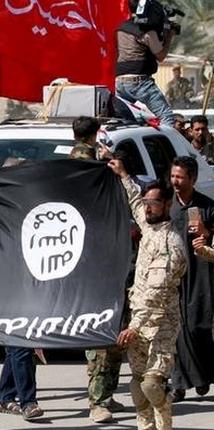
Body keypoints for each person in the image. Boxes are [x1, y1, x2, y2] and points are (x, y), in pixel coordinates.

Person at [109, 157, 187, 430]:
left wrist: (134, 326)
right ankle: (145, 427)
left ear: (167, 205)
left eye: (152, 203)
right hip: (138, 323)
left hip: (160, 325)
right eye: (146, 203)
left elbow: (157, 292)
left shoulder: (170, 243)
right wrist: (123, 174)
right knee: (137, 385)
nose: (147, 207)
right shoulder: (149, 226)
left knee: (152, 385)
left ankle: (164, 425)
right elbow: (134, 203)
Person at [66, 116, 126, 423]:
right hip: (97, 259)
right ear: (94, 135)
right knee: (102, 335)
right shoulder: (96, 168)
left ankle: (106, 395)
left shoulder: (67, 166)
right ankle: (98, 401)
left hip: (92, 256)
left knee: (111, 334)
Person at [166, 156, 214, 402]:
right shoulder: (167, 206)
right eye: (173, 176)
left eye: (180, 177)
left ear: (192, 179)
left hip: (200, 275)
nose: (175, 181)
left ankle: (203, 376)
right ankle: (178, 384)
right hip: (172, 276)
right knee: (175, 329)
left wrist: (206, 233)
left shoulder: (207, 206)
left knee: (197, 327)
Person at [115, 1, 176, 126]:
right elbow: (160, 56)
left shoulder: (120, 28)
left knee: (127, 121)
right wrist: (169, 36)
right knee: (167, 117)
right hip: (139, 83)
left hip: (120, 82)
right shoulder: (147, 31)